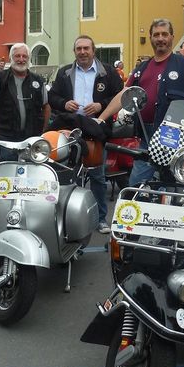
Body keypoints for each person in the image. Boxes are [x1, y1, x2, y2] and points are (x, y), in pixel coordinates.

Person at [96, 18, 184, 186]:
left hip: (175, 136)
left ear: (172, 37)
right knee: (136, 187)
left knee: (172, 187)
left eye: (165, 34)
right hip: (146, 135)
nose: (160, 38)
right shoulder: (142, 68)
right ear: (150, 38)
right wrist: (101, 118)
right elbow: (124, 94)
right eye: (156, 34)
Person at [49, 35, 124, 233]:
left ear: (93, 51)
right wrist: (64, 103)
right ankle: (67, 218)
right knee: (67, 175)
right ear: (74, 52)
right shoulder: (65, 72)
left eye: (86, 48)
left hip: (96, 130)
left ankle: (100, 219)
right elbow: (52, 97)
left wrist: (101, 105)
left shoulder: (107, 72)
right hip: (69, 131)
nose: (82, 52)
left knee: (97, 177)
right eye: (79, 49)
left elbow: (121, 95)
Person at [0, 43, 51, 160]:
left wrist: (44, 131)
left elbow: (46, 107)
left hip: (33, 139)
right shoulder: (0, 78)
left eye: (24, 56)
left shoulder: (38, 80)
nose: (21, 59)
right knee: (9, 173)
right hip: (8, 139)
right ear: (11, 58)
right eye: (17, 56)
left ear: (28, 59)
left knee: (33, 174)